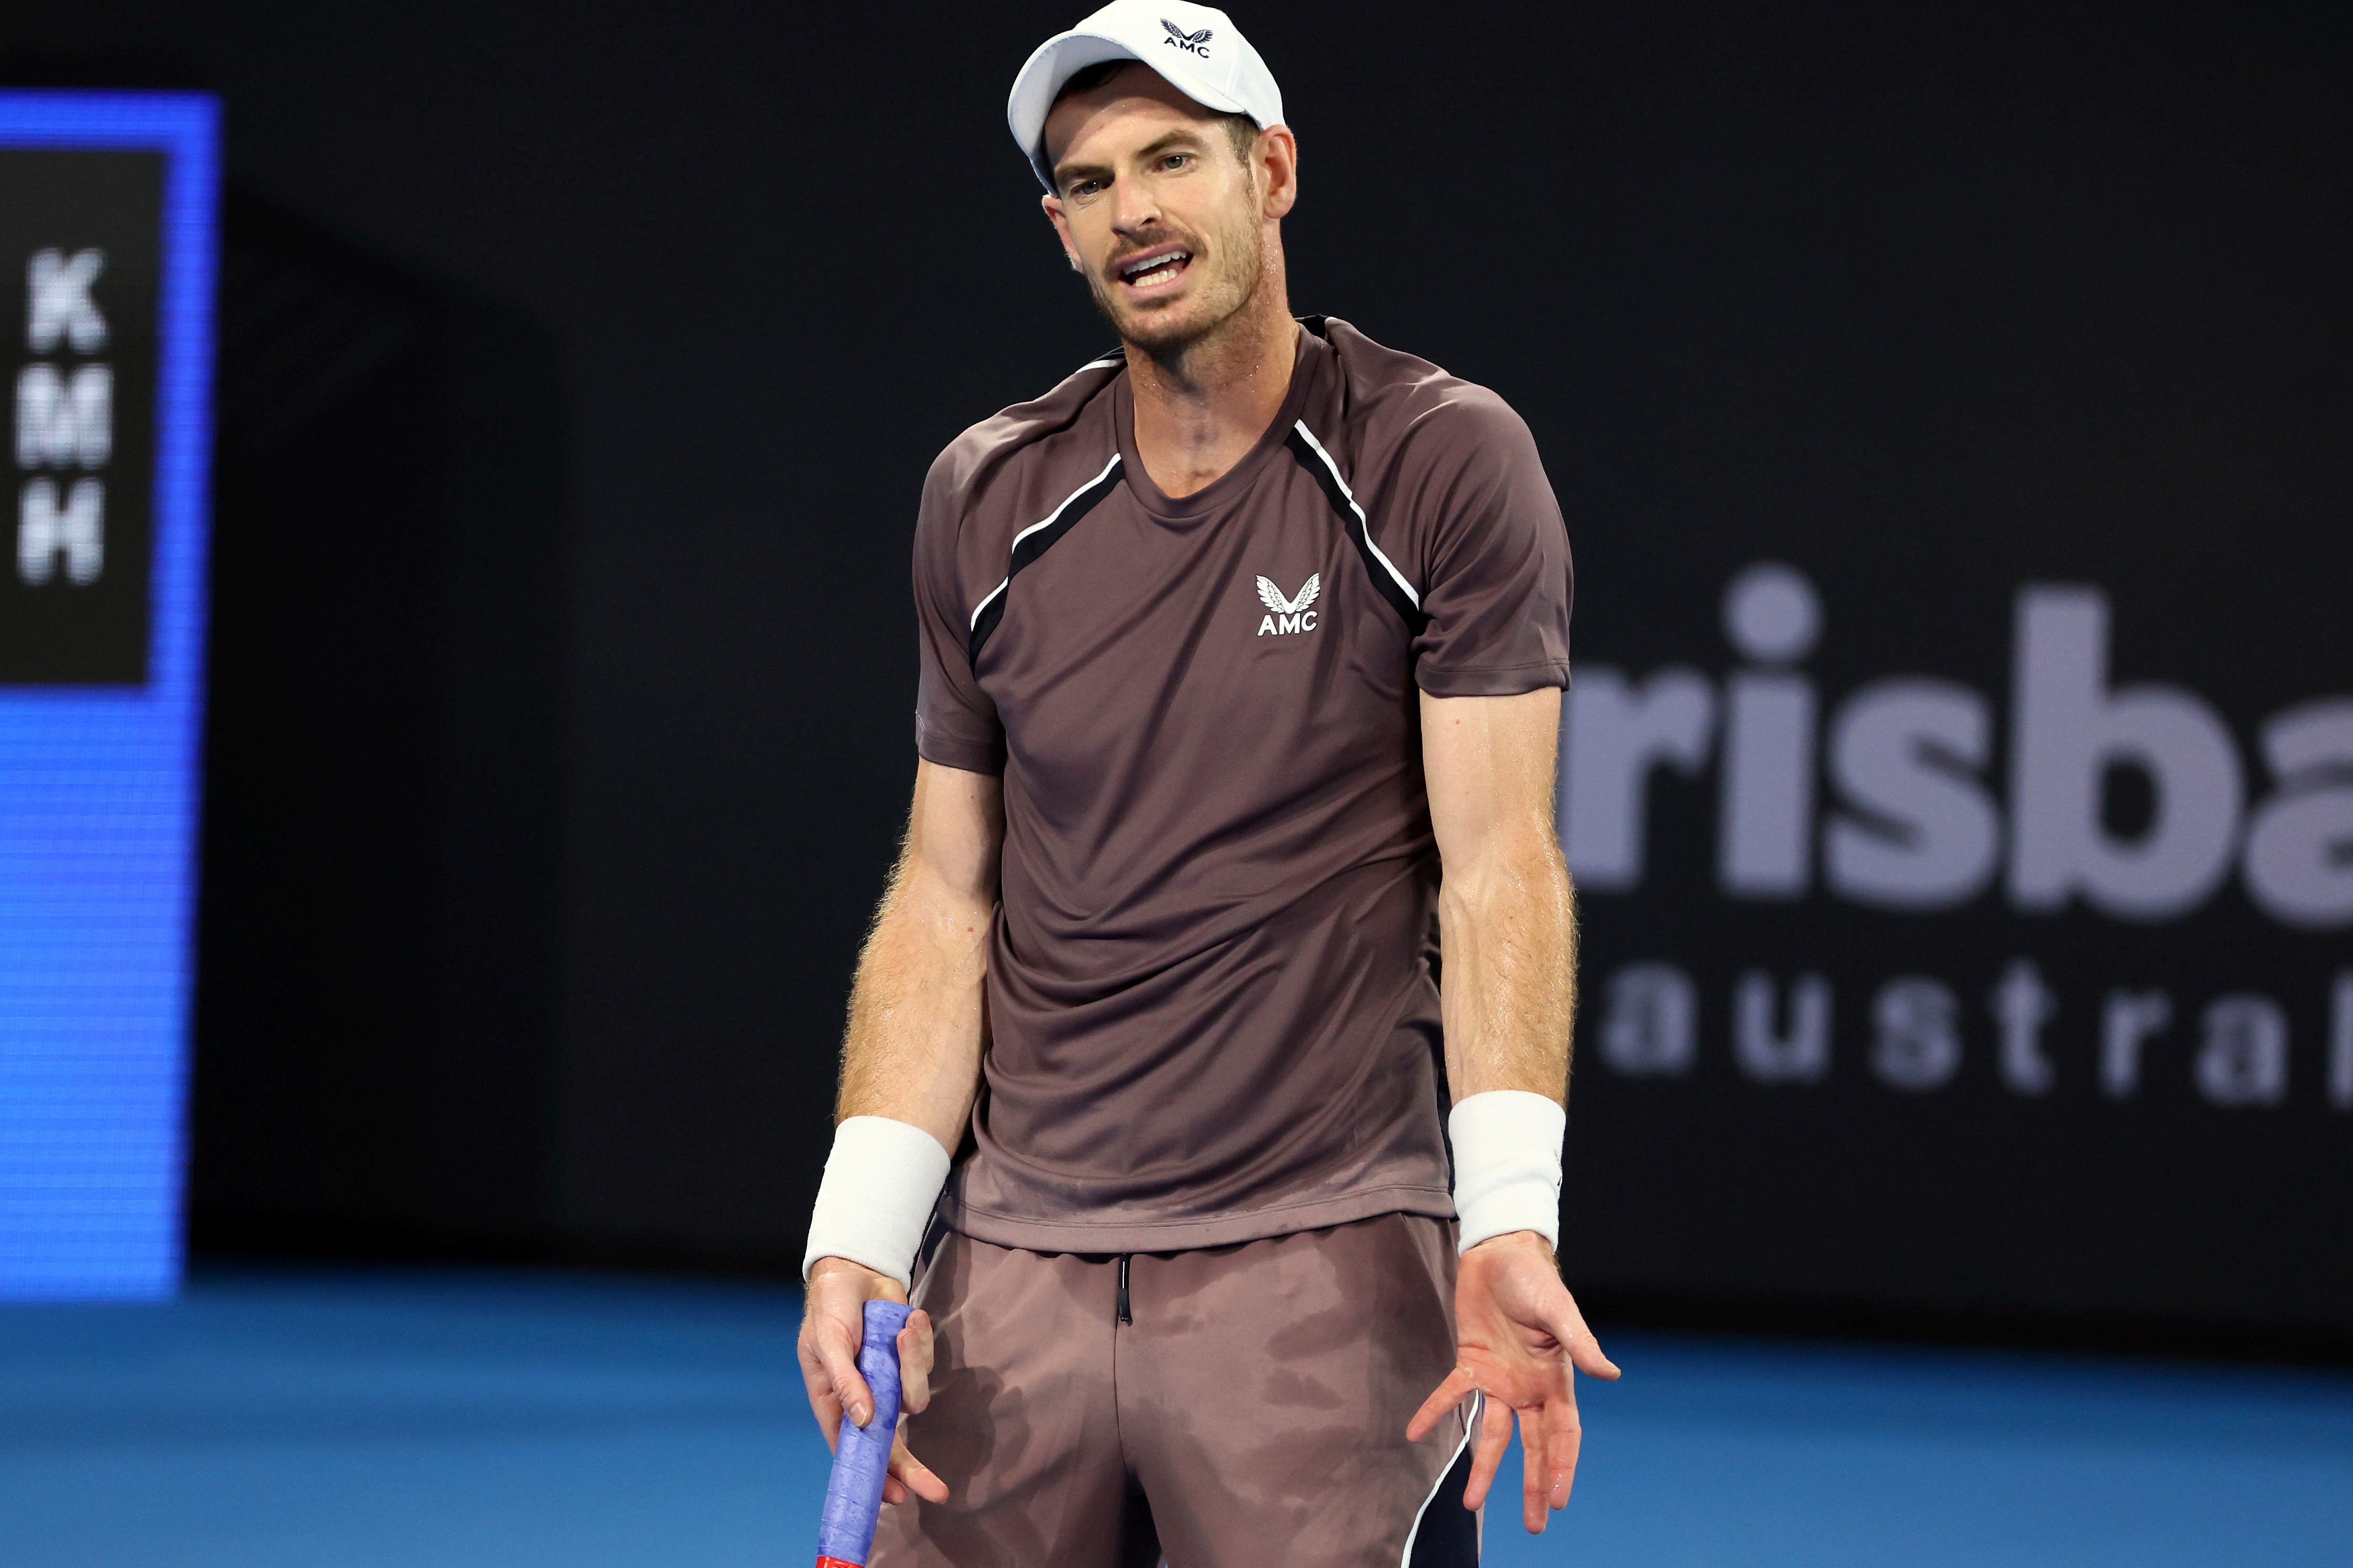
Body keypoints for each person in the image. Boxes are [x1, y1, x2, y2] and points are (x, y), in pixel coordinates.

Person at [796, 3, 1615, 1562]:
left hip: (1321, 1260)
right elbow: (945, 896)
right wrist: (861, 1233)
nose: (1135, 210)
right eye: (1090, 181)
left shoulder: (1441, 459)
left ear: (1273, 174)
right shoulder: (984, 495)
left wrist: (1511, 1211)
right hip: (1011, 1270)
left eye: (1173, 159)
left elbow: (1501, 865)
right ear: (1060, 227)